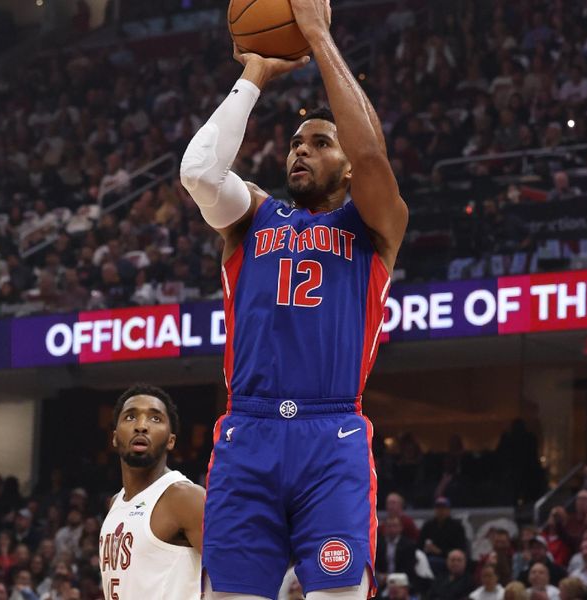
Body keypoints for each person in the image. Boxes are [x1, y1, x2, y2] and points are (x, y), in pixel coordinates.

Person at [180, 0, 408, 597]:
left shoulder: (375, 224)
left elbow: (371, 155)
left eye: (319, 142)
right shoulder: (252, 215)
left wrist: (316, 35)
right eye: (295, 143)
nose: (300, 150)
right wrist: (255, 71)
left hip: (331, 434)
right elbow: (200, 173)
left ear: (346, 167)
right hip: (246, 431)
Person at [99, 384, 204, 599]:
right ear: (115, 436)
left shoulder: (185, 497)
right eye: (130, 417)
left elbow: (239, 573)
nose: (141, 426)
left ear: (171, 440)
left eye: (155, 418)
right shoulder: (115, 503)